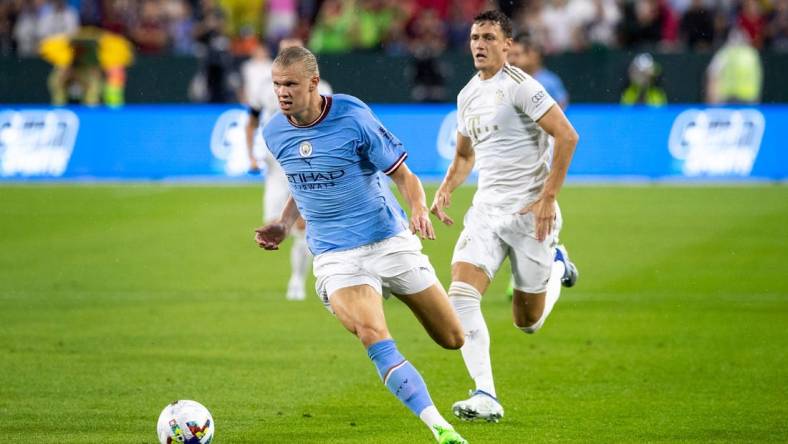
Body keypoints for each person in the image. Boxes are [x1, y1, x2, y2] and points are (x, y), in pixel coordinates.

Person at [254, 46, 469, 444]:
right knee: (373, 332)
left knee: (453, 338)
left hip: (389, 240)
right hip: (337, 258)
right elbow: (301, 184)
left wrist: (419, 207)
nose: (281, 93)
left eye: (290, 85)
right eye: (276, 85)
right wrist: (284, 226)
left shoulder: (353, 117)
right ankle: (439, 426)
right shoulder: (274, 132)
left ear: (313, 83)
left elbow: (403, 175)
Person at [430, 10, 579, 423]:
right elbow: (463, 155)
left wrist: (549, 197)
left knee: (526, 322)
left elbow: (567, 135)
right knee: (460, 294)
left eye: (489, 37)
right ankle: (485, 394)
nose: (479, 44)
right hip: (485, 212)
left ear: (507, 45)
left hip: (530, 214)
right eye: (475, 36)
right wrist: (445, 189)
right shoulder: (466, 95)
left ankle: (556, 265)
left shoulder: (521, 87)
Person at [243, 38, 332, 301]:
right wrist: (250, 156)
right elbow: (250, 121)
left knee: (302, 225)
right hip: (275, 169)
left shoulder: (321, 87)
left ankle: (298, 280)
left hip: (305, 163)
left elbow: (327, 125)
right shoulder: (264, 87)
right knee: (274, 224)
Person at [507, 32, 569, 110]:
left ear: (536, 56)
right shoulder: (510, 79)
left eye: (517, 55)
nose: (512, 60)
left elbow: (562, 102)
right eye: (509, 55)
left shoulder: (549, 80)